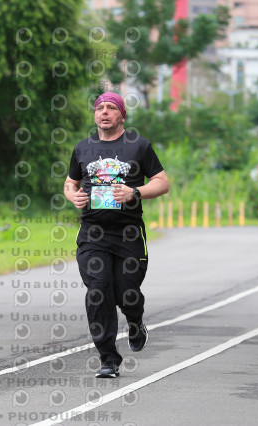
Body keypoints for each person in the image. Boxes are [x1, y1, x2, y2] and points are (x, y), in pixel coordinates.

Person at [64, 92, 169, 378]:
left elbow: (162, 182)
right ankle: (108, 358)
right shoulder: (82, 148)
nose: (104, 112)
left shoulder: (139, 146)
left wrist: (135, 192)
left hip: (129, 234)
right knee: (98, 291)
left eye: (111, 108)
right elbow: (70, 182)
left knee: (127, 293)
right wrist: (73, 196)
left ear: (121, 115)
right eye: (100, 108)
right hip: (93, 235)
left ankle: (135, 321)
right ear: (95, 114)